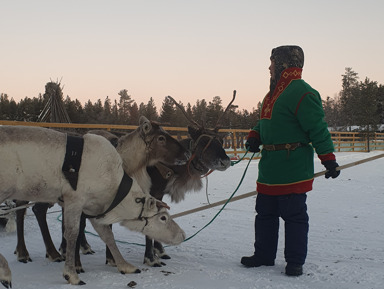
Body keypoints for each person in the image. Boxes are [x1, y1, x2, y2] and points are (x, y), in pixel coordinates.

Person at [241, 45, 340, 276]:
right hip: (269, 170)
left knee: (294, 217)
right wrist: (255, 135)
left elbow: (318, 129)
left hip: (292, 168)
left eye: (272, 62)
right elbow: (264, 122)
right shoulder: (271, 95)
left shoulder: (303, 92)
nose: (269, 67)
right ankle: (264, 255)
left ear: (284, 63)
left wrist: (329, 159)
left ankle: (295, 261)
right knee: (264, 215)